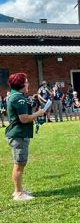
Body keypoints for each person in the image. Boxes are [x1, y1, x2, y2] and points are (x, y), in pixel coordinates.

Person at [5, 73, 45, 201]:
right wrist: (38, 113)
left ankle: (19, 189)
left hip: (18, 134)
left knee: (19, 163)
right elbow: (24, 119)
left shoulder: (17, 96)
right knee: (19, 164)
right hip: (19, 135)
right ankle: (18, 193)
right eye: (26, 82)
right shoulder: (18, 98)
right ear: (21, 84)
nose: (28, 83)